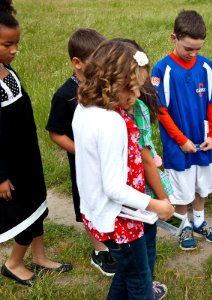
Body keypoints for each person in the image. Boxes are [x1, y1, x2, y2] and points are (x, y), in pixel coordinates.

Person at [73, 39, 174, 299]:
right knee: (141, 282)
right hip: (121, 218)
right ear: (111, 82)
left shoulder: (84, 108)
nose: (138, 96)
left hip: (98, 211)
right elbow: (114, 187)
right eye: (132, 89)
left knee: (128, 271)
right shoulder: (112, 122)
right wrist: (156, 205)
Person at [0, 0, 72, 286]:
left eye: (16, 43)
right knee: (24, 214)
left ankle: (40, 257)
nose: (14, 50)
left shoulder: (7, 71)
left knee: (38, 206)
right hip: (8, 167)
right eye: (7, 44)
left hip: (26, 157)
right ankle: (14, 263)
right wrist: (1, 176)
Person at [151, 10, 212, 250]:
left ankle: (200, 222)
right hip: (177, 145)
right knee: (182, 190)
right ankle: (183, 227)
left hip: (202, 141)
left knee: (202, 185)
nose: (192, 54)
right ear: (174, 38)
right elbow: (161, 111)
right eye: (188, 48)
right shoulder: (162, 70)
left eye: (198, 49)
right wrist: (181, 140)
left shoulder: (207, 66)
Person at [45, 28, 116, 276]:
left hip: (106, 158)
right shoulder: (64, 96)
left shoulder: (102, 88)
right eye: (98, 64)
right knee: (88, 200)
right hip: (83, 163)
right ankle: (99, 251)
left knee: (109, 195)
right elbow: (55, 132)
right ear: (77, 63)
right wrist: (81, 152)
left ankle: (111, 236)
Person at [113, 37, 172, 300]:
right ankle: (146, 285)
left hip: (124, 199)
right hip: (139, 196)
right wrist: (163, 199)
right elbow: (146, 159)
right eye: (135, 88)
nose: (138, 94)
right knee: (143, 251)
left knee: (131, 261)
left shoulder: (102, 110)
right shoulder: (134, 109)